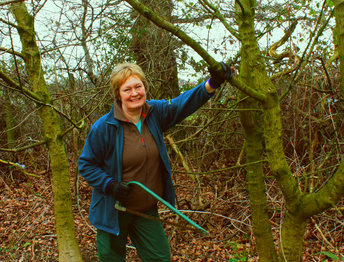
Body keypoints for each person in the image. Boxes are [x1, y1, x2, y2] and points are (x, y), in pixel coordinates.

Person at [78, 62, 232, 262]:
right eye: (127, 89)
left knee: (160, 258)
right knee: (111, 259)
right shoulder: (104, 127)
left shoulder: (154, 114)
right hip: (113, 211)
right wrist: (110, 185)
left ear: (144, 87)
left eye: (138, 87)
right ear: (118, 94)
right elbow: (86, 164)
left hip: (145, 210)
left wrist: (212, 83)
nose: (134, 93)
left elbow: (182, 104)